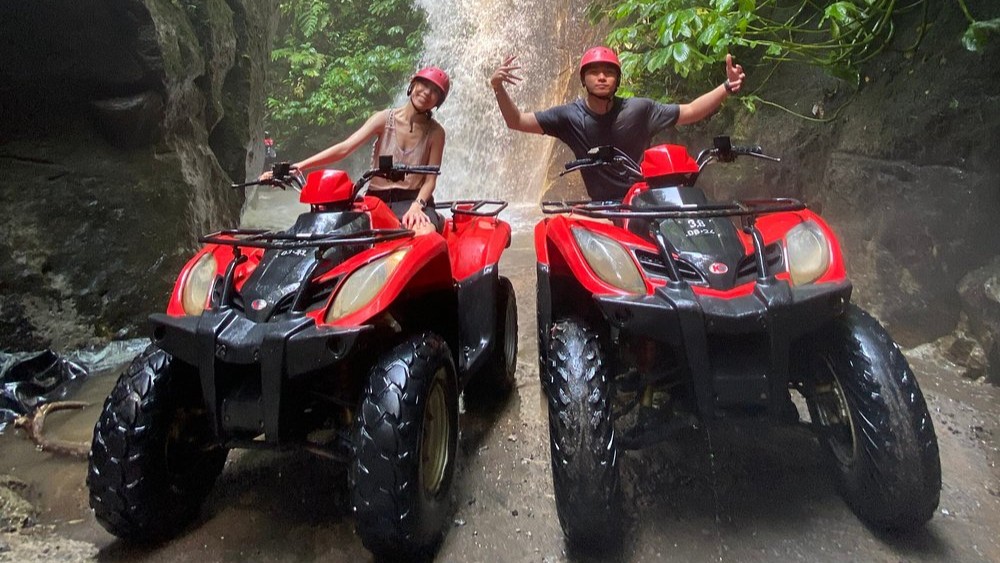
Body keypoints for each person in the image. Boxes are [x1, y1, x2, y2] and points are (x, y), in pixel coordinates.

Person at [489, 47, 745, 201]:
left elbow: (689, 111)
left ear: (617, 79)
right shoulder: (569, 117)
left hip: (643, 200)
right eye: (594, 72)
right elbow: (517, 121)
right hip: (602, 206)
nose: (602, 77)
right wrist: (498, 87)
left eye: (609, 72)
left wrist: (726, 87)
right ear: (583, 78)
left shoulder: (639, 110)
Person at [263, 66, 450, 235]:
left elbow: (430, 180)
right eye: (424, 85)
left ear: (437, 102)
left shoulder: (436, 133)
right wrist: (300, 166)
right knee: (334, 234)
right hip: (376, 200)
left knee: (423, 234)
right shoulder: (384, 119)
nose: (426, 93)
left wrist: (418, 205)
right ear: (413, 84)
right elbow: (345, 148)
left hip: (413, 201)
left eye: (434, 92)